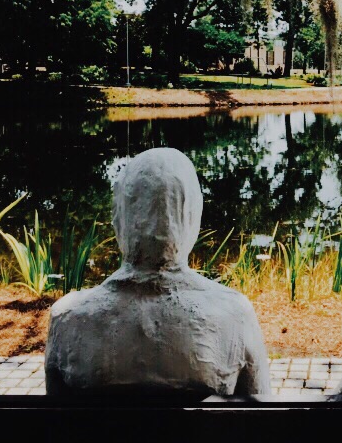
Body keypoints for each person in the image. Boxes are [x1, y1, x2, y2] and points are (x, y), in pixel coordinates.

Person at [45, 147, 271, 396]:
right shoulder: (234, 316)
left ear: (119, 215)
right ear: (192, 215)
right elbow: (261, 406)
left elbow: (55, 415)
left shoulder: (68, 318)